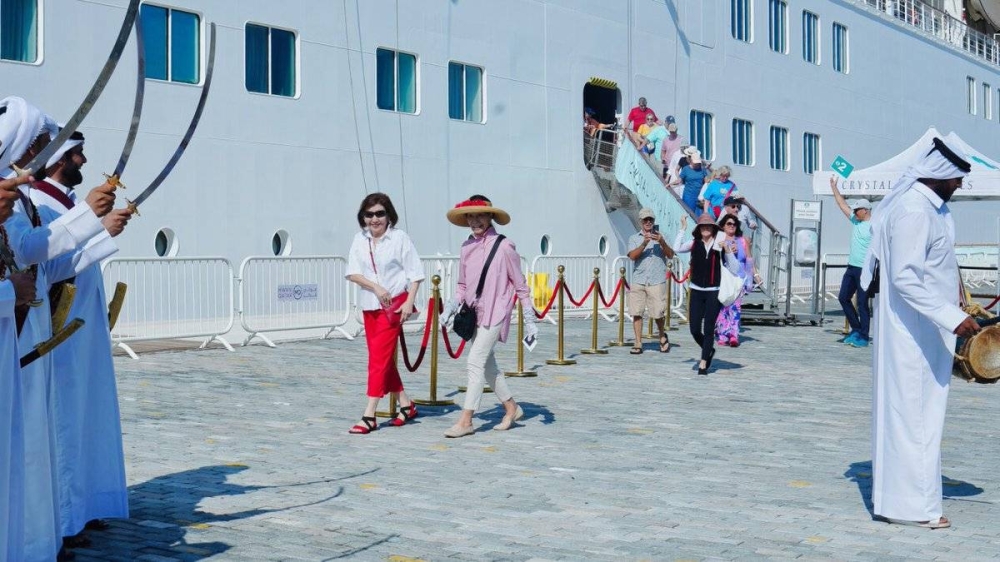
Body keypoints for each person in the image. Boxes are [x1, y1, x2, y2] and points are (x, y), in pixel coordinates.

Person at [0, 96, 119, 562]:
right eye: (33, 146)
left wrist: (96, 222)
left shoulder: (18, 198)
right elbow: (29, 261)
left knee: (26, 446)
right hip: (17, 323)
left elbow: (31, 250)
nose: (36, 157)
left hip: (20, 330)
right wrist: (15, 291)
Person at [865, 136, 981, 529]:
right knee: (914, 414)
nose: (960, 185)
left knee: (919, 414)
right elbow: (904, 278)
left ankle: (904, 500)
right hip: (913, 330)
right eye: (957, 178)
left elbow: (936, 270)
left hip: (926, 329)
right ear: (939, 174)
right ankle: (913, 508)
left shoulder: (933, 209)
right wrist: (952, 318)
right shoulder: (915, 211)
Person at [31, 131, 133, 549]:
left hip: (83, 326)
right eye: (76, 155)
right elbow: (51, 262)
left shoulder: (65, 201)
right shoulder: (39, 202)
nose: (84, 161)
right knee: (64, 417)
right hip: (59, 326)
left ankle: (85, 504)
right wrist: (102, 230)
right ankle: (63, 514)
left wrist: (104, 229)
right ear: (58, 159)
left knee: (87, 413)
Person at [440, 195, 537, 438]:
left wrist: (530, 319)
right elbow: (462, 285)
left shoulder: (504, 246)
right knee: (488, 366)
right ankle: (511, 408)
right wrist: (450, 306)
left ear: (490, 216)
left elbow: (520, 285)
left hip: (496, 312)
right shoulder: (466, 247)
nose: (475, 220)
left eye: (480, 215)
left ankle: (466, 420)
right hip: (474, 313)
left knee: (474, 361)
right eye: (470, 216)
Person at [345, 193, 424, 434]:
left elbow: (416, 273)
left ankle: (369, 414)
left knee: (377, 360)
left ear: (389, 215)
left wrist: (410, 301)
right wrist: (376, 287)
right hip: (370, 305)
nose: (374, 219)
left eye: (379, 213)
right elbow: (352, 272)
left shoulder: (399, 238)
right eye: (369, 215)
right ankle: (406, 404)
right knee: (383, 360)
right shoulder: (360, 240)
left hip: (393, 308)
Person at [674, 214, 738, 375]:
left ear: (714, 229)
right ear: (699, 229)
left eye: (709, 226)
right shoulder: (694, 243)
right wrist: (682, 229)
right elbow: (676, 248)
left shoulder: (721, 245)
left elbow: (735, 268)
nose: (706, 228)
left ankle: (703, 362)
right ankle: (708, 349)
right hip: (696, 290)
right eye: (703, 226)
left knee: (709, 327)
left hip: (713, 291)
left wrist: (728, 250)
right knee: (694, 328)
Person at [829, 175, 872, 348]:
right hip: (852, 267)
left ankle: (864, 336)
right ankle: (856, 329)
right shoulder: (855, 221)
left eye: (857, 210)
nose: (854, 212)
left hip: (865, 269)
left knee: (862, 303)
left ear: (866, 210)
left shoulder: (875, 225)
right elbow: (842, 204)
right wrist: (833, 187)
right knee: (843, 298)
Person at [626, 208, 675, 354]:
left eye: (650, 220)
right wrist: (643, 244)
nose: (648, 222)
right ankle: (638, 342)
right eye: (645, 220)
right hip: (639, 279)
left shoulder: (662, 236)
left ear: (654, 221)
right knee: (637, 312)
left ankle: (662, 336)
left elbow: (671, 255)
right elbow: (632, 256)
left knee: (658, 312)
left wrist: (662, 242)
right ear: (640, 222)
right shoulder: (634, 238)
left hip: (656, 279)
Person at [714, 216, 754, 347]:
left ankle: (733, 334)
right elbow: (715, 255)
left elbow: (748, 259)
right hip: (725, 277)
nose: (732, 226)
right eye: (729, 223)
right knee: (724, 305)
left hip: (739, 278)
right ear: (723, 226)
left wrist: (751, 278)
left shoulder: (742, 241)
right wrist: (727, 250)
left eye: (734, 224)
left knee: (735, 307)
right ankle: (722, 333)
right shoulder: (719, 238)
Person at [670, 151, 709, 215]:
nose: (697, 164)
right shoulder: (686, 169)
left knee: (698, 215)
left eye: (698, 163)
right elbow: (679, 180)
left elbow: (706, 181)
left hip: (699, 196)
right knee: (689, 213)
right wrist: (669, 184)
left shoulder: (702, 169)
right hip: (689, 195)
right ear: (691, 161)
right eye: (695, 163)